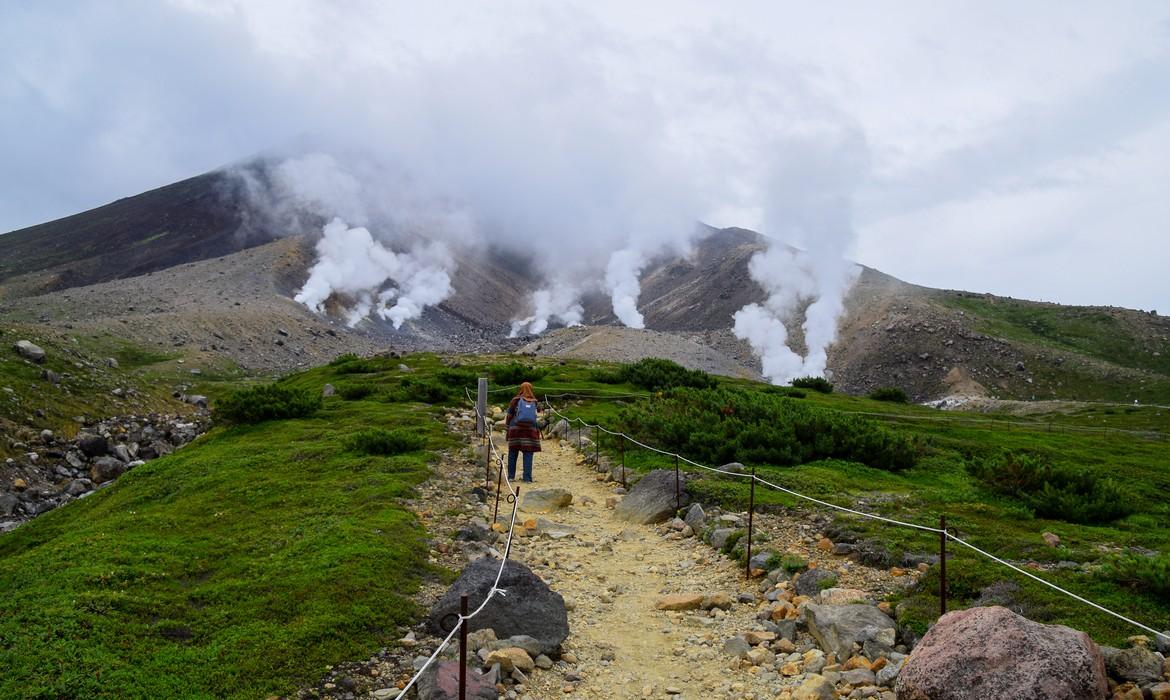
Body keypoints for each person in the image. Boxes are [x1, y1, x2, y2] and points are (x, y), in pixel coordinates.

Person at [506, 382, 542, 483]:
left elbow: (509, 415)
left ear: (520, 389)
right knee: (528, 453)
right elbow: (538, 412)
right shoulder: (535, 401)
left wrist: (507, 427)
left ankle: (511, 477)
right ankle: (527, 478)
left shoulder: (515, 400)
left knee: (513, 453)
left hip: (515, 430)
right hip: (530, 431)